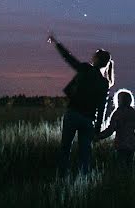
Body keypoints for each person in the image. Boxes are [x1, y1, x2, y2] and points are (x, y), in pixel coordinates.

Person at [48, 32, 114, 174]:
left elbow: (69, 58)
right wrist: (98, 128)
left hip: (73, 113)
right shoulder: (104, 83)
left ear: (95, 59)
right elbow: (102, 107)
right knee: (85, 153)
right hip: (88, 119)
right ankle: (84, 180)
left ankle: (62, 176)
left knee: (65, 147)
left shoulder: (85, 68)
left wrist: (56, 43)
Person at [97, 89, 135, 167]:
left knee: (121, 165)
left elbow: (110, 130)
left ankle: (122, 178)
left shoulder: (117, 113)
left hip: (120, 145)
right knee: (130, 166)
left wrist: (99, 136)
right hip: (131, 144)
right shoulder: (132, 112)